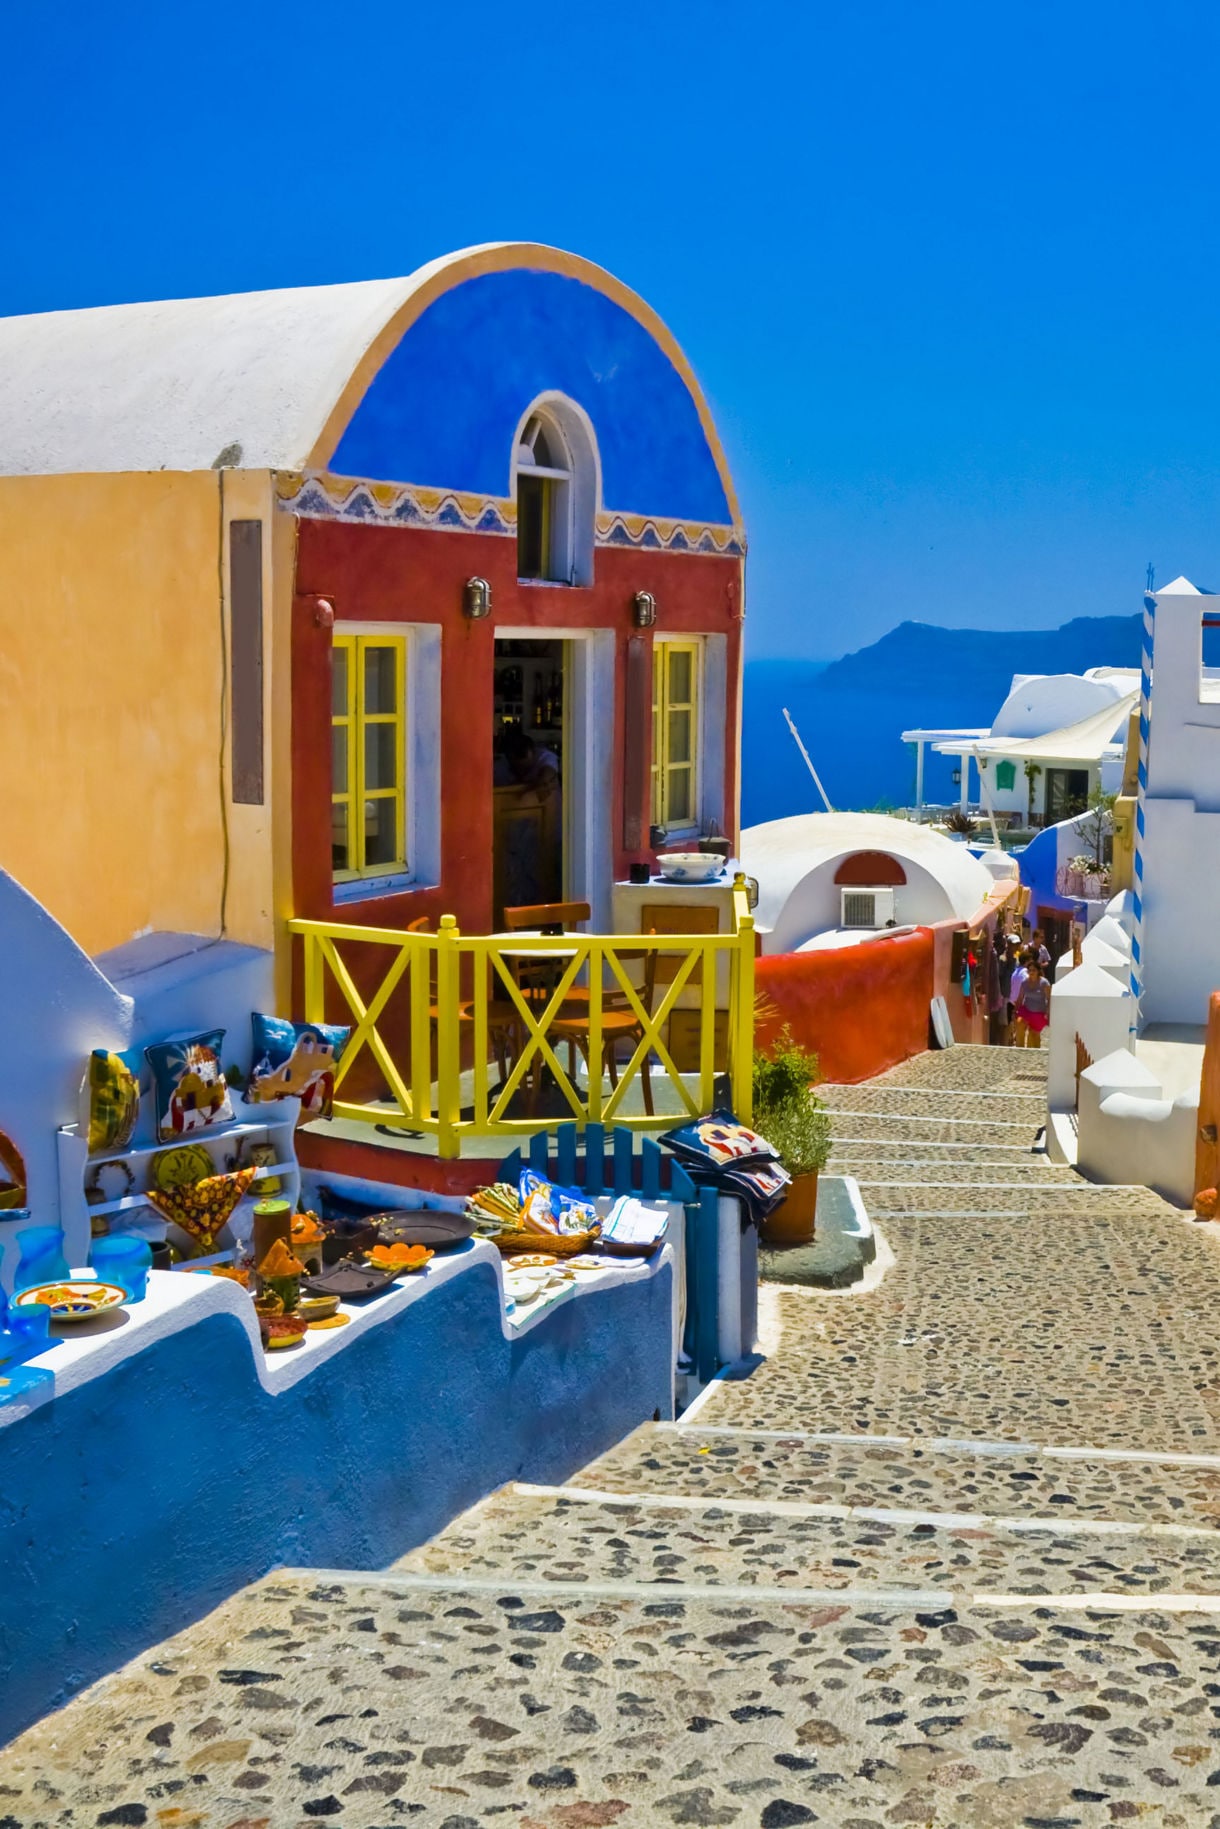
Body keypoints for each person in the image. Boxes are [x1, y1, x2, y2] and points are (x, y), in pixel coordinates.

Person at [1014, 960, 1051, 1048]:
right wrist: (1015, 1010)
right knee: (1019, 1023)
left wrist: (1048, 1012)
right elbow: (1020, 998)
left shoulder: (1044, 983)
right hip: (1026, 1010)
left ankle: (1034, 1051)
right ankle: (1020, 1047)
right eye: (1029, 970)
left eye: (1033, 970)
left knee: (1033, 1034)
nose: (1031, 972)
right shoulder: (1024, 983)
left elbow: (1049, 998)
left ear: (1038, 971)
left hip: (1039, 1012)